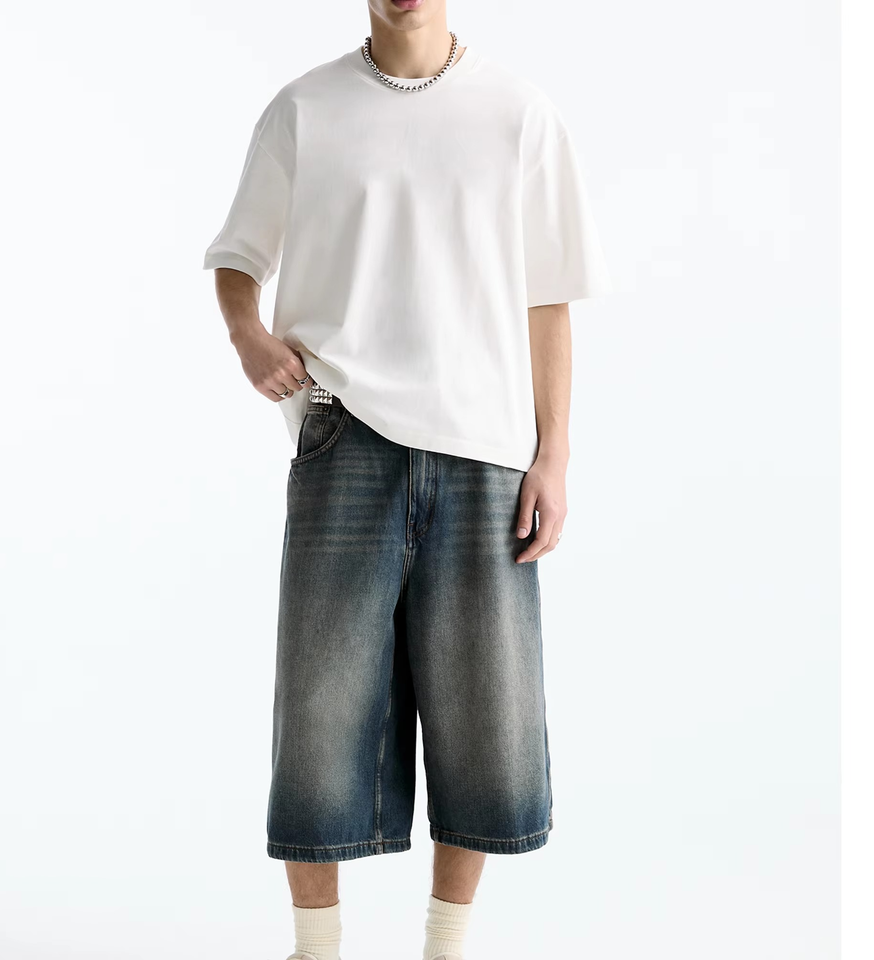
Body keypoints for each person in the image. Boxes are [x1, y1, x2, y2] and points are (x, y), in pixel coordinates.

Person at [202, 0, 612, 956]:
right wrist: (247, 335)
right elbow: (236, 256)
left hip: (485, 449)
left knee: (485, 717)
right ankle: (317, 949)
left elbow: (547, 299)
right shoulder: (304, 110)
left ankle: (445, 946)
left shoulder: (519, 114)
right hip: (343, 437)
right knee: (320, 710)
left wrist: (553, 452)